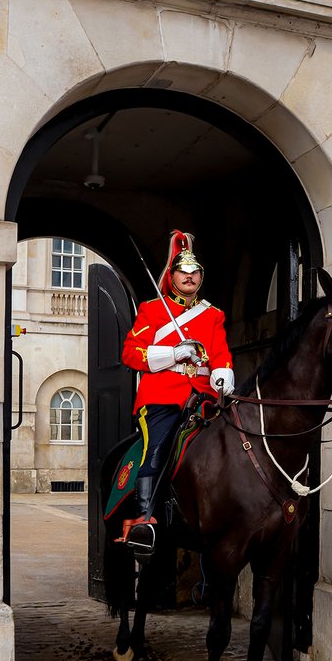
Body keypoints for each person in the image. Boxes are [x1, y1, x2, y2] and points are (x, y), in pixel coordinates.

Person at [120, 230, 235, 554]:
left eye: (195, 272)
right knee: (156, 448)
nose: (190, 277)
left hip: (204, 395)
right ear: (172, 277)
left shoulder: (213, 315)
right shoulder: (152, 310)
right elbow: (131, 354)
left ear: (201, 277)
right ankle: (145, 521)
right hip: (162, 396)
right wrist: (172, 354)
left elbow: (221, 353)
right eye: (183, 272)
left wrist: (223, 374)